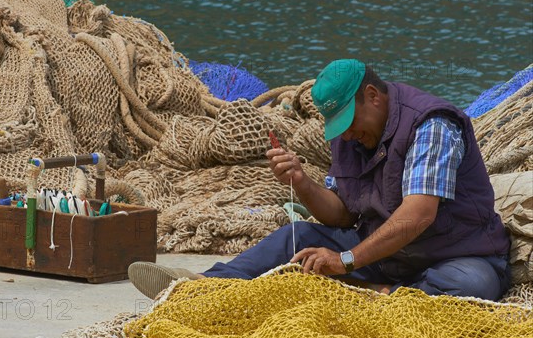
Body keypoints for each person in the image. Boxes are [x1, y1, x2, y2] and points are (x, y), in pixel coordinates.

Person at [128, 59, 511, 301]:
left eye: (349, 124)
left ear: (373, 97)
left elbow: (418, 215)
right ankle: (204, 286)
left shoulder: (431, 125)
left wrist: (345, 260)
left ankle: (372, 293)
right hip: (384, 254)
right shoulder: (349, 135)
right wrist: (302, 183)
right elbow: (344, 217)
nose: (345, 136)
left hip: (456, 253)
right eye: (338, 128)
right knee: (296, 237)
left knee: (471, 287)